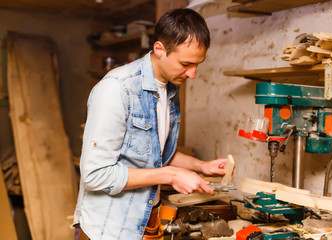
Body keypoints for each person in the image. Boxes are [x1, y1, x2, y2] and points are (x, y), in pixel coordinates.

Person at [73, 8, 227, 240]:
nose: (193, 74)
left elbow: (154, 153)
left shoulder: (169, 88)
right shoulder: (117, 89)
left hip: (145, 223)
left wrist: (200, 166)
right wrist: (171, 175)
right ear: (159, 49)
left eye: (198, 64)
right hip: (109, 229)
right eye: (186, 63)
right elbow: (95, 175)